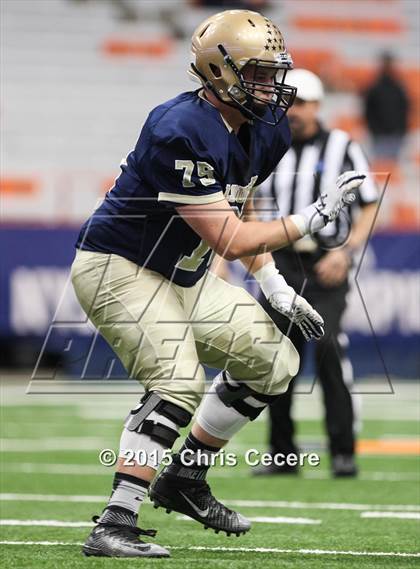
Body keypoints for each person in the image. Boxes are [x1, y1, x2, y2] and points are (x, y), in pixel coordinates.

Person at [71, 11, 365, 558]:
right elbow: (228, 236)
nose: (272, 86)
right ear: (218, 71)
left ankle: (185, 478)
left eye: (274, 72)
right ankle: (115, 521)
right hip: (119, 268)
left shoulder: (264, 126)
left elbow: (243, 192)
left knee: (274, 360)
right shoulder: (177, 127)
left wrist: (272, 281)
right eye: (257, 73)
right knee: (177, 383)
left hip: (183, 275)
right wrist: (309, 220)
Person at [252, 69, 378, 478]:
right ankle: (281, 454)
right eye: (290, 103)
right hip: (280, 259)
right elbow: (247, 198)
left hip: (327, 260)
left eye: (304, 104)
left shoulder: (343, 146)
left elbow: (369, 202)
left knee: (326, 352)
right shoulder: (267, 143)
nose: (296, 112)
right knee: (277, 357)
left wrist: (347, 249)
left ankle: (343, 452)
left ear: (318, 106)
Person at [363, 52, 409, 161]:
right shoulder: (374, 87)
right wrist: (374, 129)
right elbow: (368, 110)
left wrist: (401, 129)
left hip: (395, 135)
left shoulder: (399, 87)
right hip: (379, 136)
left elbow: (405, 109)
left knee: (393, 168)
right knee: (381, 167)